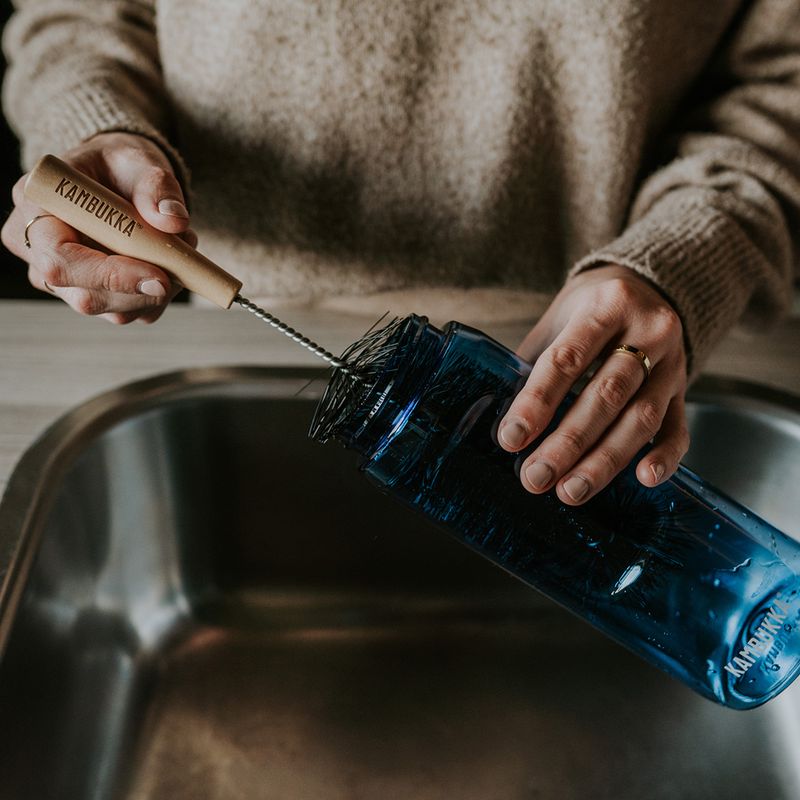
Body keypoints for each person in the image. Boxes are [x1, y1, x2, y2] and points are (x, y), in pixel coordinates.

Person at [1, 1, 798, 508]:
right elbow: (78, 17)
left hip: (596, 351)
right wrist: (95, 127)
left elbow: (784, 76)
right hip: (212, 332)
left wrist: (691, 253)